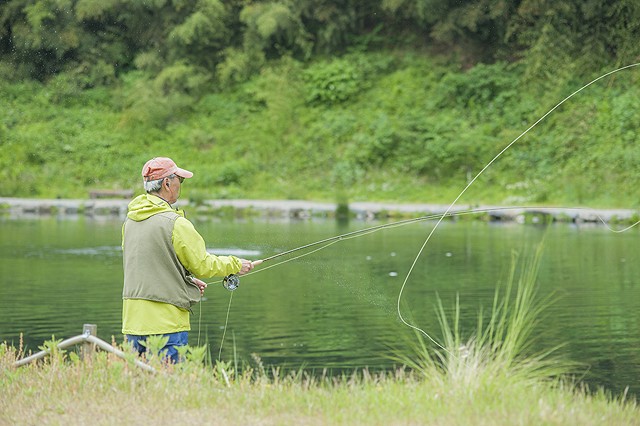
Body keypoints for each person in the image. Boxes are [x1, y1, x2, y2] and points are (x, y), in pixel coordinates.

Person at [121, 157, 254, 363]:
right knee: (171, 387)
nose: (179, 186)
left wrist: (186, 281)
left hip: (132, 323)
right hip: (166, 325)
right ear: (167, 183)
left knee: (139, 388)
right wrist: (236, 264)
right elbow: (203, 265)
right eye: (179, 181)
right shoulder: (176, 223)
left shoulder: (130, 221)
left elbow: (151, 263)